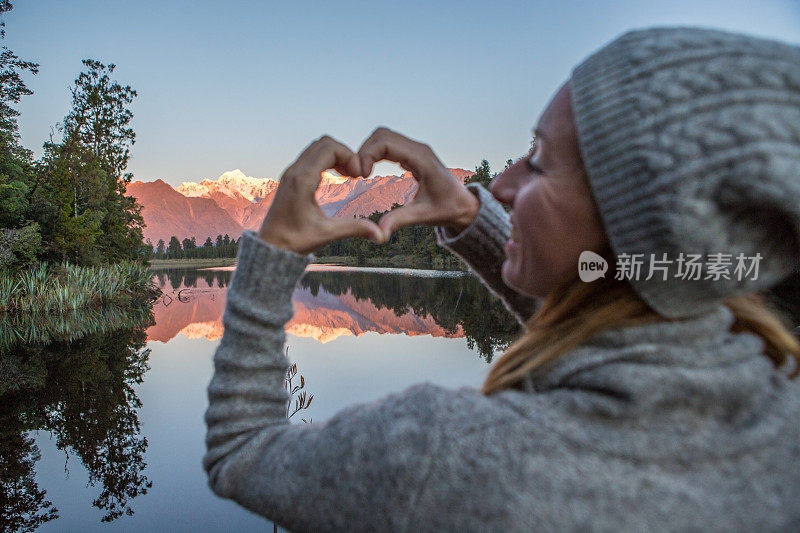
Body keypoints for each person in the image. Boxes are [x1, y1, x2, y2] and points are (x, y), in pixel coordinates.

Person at [204, 27, 800, 531]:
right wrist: (472, 217)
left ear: (634, 223)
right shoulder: (777, 402)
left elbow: (241, 452)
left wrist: (273, 252)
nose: (505, 184)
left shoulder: (454, 456)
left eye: (538, 160)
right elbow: (607, 303)